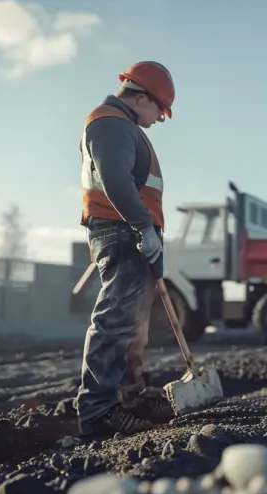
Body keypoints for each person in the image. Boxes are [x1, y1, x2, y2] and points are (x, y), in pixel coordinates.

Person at [73, 61, 178, 437]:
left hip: (130, 232)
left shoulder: (121, 125)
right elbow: (116, 182)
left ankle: (130, 396)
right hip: (123, 232)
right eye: (159, 111)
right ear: (141, 96)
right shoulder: (111, 124)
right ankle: (98, 411)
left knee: (133, 325)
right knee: (116, 320)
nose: (159, 120)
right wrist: (143, 226)